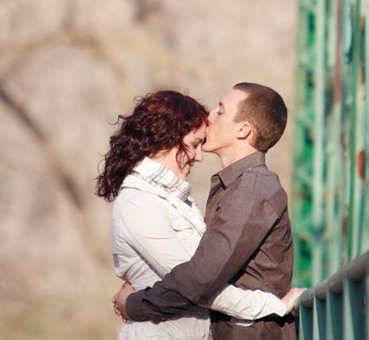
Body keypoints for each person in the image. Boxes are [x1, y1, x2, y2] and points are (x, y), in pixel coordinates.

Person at [96, 89, 297, 339]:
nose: (211, 116)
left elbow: (197, 281)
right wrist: (274, 305)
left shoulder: (249, 190)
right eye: (193, 145)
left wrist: (135, 303)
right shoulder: (142, 202)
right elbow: (196, 279)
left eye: (220, 110)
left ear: (243, 130)